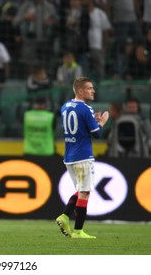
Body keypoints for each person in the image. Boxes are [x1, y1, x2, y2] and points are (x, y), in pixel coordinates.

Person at [56, 76, 109, 239]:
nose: (93, 90)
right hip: (83, 155)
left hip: (69, 156)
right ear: (80, 90)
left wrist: (92, 123)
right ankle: (78, 231)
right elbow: (97, 134)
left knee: (81, 190)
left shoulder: (65, 106)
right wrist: (101, 122)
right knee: (85, 192)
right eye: (90, 88)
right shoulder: (86, 109)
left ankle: (65, 216)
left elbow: (79, 127)